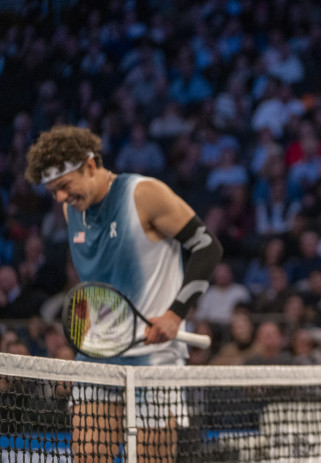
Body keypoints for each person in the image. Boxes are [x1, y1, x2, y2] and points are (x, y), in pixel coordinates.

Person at [25, 125, 223, 463]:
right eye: (52, 191)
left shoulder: (144, 194)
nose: (59, 198)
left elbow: (207, 246)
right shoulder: (70, 209)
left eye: (63, 186)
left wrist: (176, 314)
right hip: (98, 353)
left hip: (154, 356)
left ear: (89, 166)